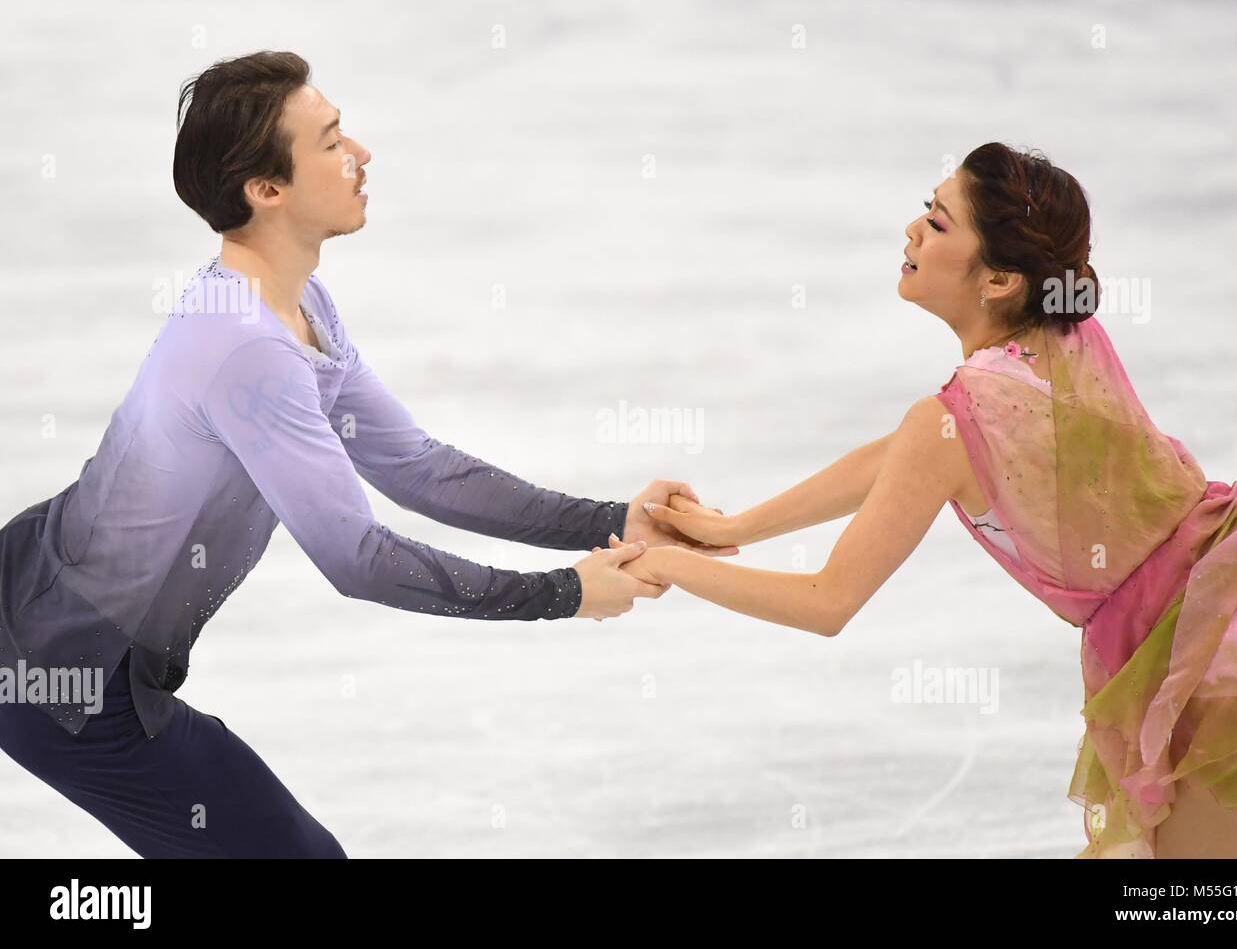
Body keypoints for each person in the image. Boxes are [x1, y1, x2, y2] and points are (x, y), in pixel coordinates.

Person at [0, 50, 735, 858]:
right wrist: (561, 594)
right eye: (331, 140)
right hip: (62, 676)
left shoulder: (295, 306)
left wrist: (606, 520)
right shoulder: (248, 351)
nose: (362, 155)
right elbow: (355, 558)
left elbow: (415, 465)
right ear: (266, 189)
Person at [613, 142, 1237, 859]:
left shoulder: (952, 418)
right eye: (924, 212)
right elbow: (900, 459)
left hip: (1227, 638)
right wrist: (741, 525)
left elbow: (827, 601)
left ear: (1000, 278)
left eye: (939, 225)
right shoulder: (1059, 331)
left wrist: (671, 565)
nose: (912, 232)